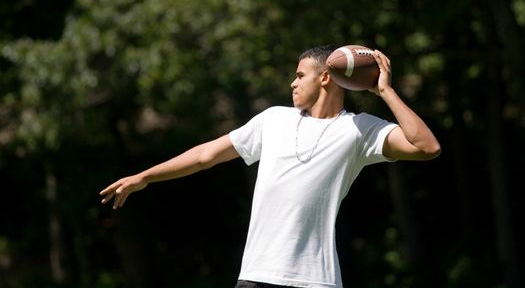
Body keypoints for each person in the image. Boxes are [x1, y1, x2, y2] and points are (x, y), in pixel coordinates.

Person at [100, 45, 441, 288]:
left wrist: (385, 91)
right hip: (257, 275)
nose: (292, 83)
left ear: (325, 78)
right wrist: (144, 176)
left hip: (316, 280)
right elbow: (206, 155)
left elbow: (426, 147)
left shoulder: (359, 128)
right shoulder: (273, 120)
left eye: (300, 75)